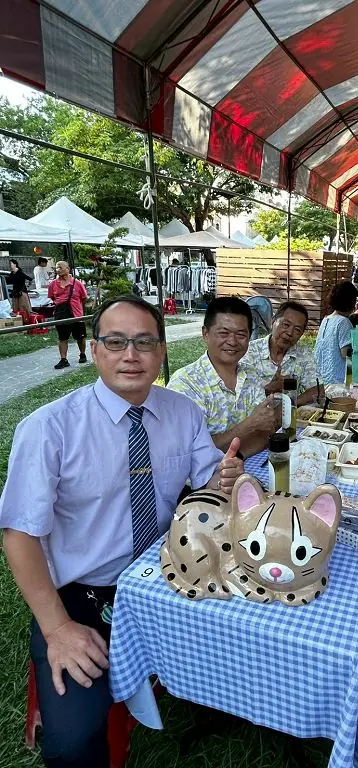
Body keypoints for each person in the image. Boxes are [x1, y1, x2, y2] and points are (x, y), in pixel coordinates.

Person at [0, 294, 244, 768]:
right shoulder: (48, 429)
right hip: (83, 596)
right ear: (94, 350)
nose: (130, 355)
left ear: (162, 352)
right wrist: (58, 628)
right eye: (115, 341)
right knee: (72, 744)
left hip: (164, 579)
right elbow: (19, 535)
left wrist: (223, 478)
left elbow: (206, 483)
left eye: (144, 342)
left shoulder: (183, 413)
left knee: (255, 636)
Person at [167, 296, 280, 456]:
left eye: (241, 335)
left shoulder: (252, 374)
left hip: (247, 467)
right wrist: (248, 425)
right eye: (223, 333)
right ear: (205, 334)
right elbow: (190, 451)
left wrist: (236, 458)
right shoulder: (186, 383)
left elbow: (263, 434)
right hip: (202, 480)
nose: (232, 342)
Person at [242, 301, 323, 406]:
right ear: (273, 322)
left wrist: (288, 406)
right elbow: (239, 398)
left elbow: (318, 390)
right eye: (286, 325)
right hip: (256, 418)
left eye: (297, 330)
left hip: (291, 418)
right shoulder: (249, 352)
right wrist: (268, 389)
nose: (289, 333)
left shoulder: (303, 354)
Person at [314, 280, 358, 384]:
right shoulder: (344, 322)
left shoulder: (326, 319)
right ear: (350, 302)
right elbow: (346, 353)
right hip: (338, 380)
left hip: (322, 378)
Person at [48, 261, 89, 369]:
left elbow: (84, 298)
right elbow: (53, 297)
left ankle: (82, 354)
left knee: (80, 337)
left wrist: (76, 307)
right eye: (56, 268)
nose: (58, 270)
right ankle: (63, 359)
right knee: (62, 337)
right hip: (61, 314)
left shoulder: (77, 283)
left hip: (76, 314)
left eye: (60, 267)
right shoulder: (53, 284)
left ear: (67, 269)